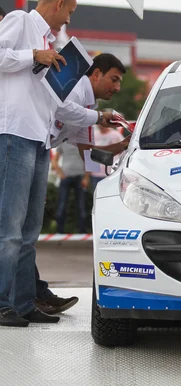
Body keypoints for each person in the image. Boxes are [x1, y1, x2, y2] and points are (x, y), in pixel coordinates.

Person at [0, 0, 104, 327]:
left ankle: (23, 301)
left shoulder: (50, 44)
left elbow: (59, 106)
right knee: (10, 229)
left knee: (30, 230)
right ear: (58, 4)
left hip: (39, 140)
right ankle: (2, 302)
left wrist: (100, 116)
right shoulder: (20, 21)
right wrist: (32, 56)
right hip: (14, 134)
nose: (69, 18)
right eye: (70, 11)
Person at [34, 53, 129, 316]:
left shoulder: (88, 107)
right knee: (15, 234)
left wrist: (125, 145)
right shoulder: (75, 88)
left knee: (25, 234)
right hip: (20, 148)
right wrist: (99, 117)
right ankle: (28, 296)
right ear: (95, 74)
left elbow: (89, 156)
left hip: (37, 154)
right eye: (114, 79)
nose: (117, 87)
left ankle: (34, 294)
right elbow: (61, 108)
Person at [51, 142, 90, 233]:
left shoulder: (83, 141)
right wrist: (60, 174)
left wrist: (86, 177)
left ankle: (82, 230)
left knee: (81, 205)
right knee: (62, 204)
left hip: (80, 177)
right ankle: (59, 230)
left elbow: (89, 160)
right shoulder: (63, 142)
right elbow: (54, 160)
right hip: (66, 176)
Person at [89, 123, 124, 193]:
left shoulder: (115, 135)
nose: (100, 125)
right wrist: (89, 171)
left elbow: (123, 150)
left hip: (111, 172)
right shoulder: (93, 135)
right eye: (98, 122)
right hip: (96, 173)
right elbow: (89, 152)